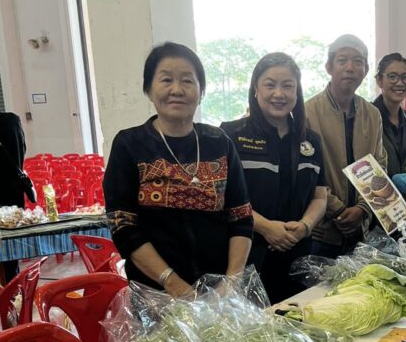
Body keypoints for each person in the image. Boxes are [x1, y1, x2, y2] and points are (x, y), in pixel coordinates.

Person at [103, 42, 253, 296]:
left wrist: (231, 281)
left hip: (218, 292)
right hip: (156, 294)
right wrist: (174, 285)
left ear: (201, 91)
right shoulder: (130, 144)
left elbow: (241, 217)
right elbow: (123, 226)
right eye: (166, 80)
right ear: (149, 89)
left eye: (187, 81)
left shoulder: (219, 143)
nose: (177, 90)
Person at [221, 53, 327, 304]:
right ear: (255, 89)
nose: (279, 94)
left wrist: (305, 226)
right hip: (248, 258)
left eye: (287, 86)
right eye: (270, 85)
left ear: (297, 92)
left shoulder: (310, 140)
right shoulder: (230, 135)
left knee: (299, 320)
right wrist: (267, 228)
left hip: (299, 256)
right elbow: (222, 197)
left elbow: (320, 196)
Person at [306, 34, 387, 257]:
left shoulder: (373, 114)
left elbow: (379, 165)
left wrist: (363, 208)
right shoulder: (308, 112)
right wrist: (340, 211)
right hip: (322, 232)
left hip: (361, 230)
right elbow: (306, 174)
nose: (350, 68)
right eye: (342, 60)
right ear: (329, 67)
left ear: (366, 70)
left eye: (358, 61)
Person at [372, 52, 406, 195]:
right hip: (375, 203)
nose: (400, 83)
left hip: (404, 205)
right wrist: (391, 182)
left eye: (405, 77)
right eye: (392, 76)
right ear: (379, 81)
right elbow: (359, 169)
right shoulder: (367, 119)